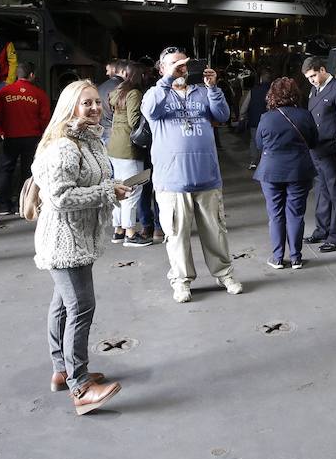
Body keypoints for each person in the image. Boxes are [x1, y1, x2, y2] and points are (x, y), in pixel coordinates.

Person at [30, 79, 125, 415]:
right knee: (81, 306)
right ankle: (81, 386)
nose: (95, 108)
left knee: (63, 305)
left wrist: (110, 186)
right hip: (64, 241)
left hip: (78, 237)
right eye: (87, 103)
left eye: (97, 102)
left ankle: (62, 370)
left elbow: (91, 181)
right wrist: (106, 193)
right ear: (70, 107)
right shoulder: (64, 146)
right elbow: (59, 197)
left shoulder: (89, 140)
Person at [142, 48, 241, 303]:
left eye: (183, 64)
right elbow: (150, 110)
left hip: (206, 176)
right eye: (174, 65)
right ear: (161, 69)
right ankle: (182, 281)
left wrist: (213, 88)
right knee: (176, 235)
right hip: (172, 181)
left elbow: (222, 115)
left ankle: (224, 274)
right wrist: (167, 81)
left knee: (215, 231)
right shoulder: (156, 94)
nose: (180, 68)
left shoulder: (202, 92)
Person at [254, 77, 318, 270]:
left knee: (275, 215)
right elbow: (314, 141)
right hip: (299, 171)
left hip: (271, 172)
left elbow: (259, 144)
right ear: (295, 94)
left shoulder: (266, 118)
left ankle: (277, 258)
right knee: (296, 214)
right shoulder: (305, 116)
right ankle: (296, 258)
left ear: (272, 96)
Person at [303, 57, 336, 253]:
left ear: (322, 69)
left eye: (314, 75)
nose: (312, 80)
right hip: (316, 149)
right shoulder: (314, 90)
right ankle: (322, 229)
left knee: (335, 194)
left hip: (331, 150)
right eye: (308, 78)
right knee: (321, 192)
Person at [0, 61, 51, 217]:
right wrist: (43, 136)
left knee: (6, 171)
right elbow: (45, 119)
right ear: (32, 75)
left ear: (17, 74)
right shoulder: (40, 94)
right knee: (29, 172)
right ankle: (24, 205)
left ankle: (4, 205)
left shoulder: (5, 91)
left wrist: (1, 131)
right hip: (32, 138)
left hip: (10, 137)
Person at [105, 62, 150, 247]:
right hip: (128, 149)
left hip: (113, 147)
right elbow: (134, 122)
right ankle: (131, 233)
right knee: (132, 189)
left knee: (118, 189)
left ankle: (118, 231)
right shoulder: (134, 93)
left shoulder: (117, 91)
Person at [244, 67, 272, 172]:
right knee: (268, 141)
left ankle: (254, 162)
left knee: (254, 141)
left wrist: (242, 115)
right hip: (270, 122)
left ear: (261, 78)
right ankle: (266, 162)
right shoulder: (273, 90)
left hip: (255, 120)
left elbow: (245, 104)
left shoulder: (254, 90)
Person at [97, 59, 123, 143]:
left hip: (103, 131)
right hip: (116, 133)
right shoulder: (122, 88)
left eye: (108, 70)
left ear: (114, 69)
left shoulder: (101, 87)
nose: (107, 73)